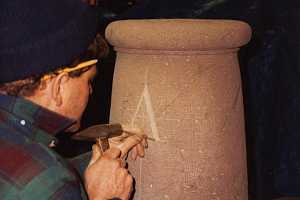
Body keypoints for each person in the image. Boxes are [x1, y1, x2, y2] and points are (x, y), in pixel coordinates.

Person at [0, 0, 146, 199]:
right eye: (89, 81)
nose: (91, 91)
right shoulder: (52, 185)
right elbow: (47, 185)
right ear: (59, 86)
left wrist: (88, 164)